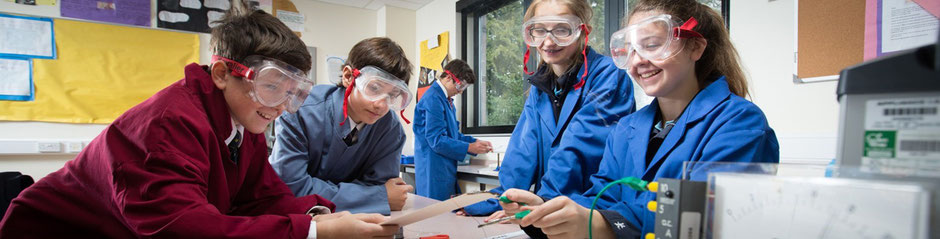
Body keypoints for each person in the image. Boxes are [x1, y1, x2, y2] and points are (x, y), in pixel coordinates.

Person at [0, 1, 398, 238]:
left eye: (294, 92)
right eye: (272, 85)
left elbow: (260, 196)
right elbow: (180, 228)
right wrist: (313, 233)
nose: (281, 105)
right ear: (223, 73)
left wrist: (323, 214)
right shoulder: (167, 123)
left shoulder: (244, 120)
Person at [499, 0, 780, 238]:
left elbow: (698, 221)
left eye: (653, 45)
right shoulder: (628, 128)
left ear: (695, 48)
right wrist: (551, 210)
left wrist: (603, 223)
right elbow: (603, 195)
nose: (637, 61)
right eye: (629, 50)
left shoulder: (739, 122)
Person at [462, 0, 636, 219]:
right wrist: (504, 199)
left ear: (582, 32)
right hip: (550, 203)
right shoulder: (541, 87)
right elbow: (523, 148)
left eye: (562, 29)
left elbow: (579, 146)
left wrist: (542, 204)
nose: (548, 41)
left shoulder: (608, 75)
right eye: (539, 30)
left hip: (592, 207)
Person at [270, 37, 415, 215]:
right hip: (296, 219)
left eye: (392, 95)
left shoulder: (390, 128)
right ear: (348, 77)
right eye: (375, 88)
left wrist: (376, 195)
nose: (382, 105)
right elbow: (291, 187)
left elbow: (381, 185)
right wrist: (376, 198)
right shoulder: (300, 110)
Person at [413, 59, 494, 201]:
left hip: (444, 166)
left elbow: (453, 134)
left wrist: (475, 142)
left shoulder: (447, 100)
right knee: (434, 214)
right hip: (432, 168)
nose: (460, 91)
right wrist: (470, 147)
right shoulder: (433, 99)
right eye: (460, 86)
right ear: (448, 78)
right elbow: (437, 140)